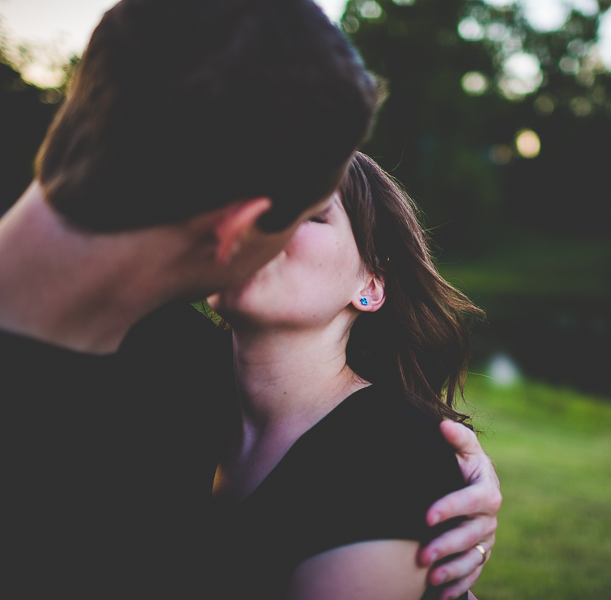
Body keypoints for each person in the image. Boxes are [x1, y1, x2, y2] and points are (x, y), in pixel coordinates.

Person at [0, 1, 499, 597]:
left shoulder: (166, 361)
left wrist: (430, 489)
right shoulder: (160, 370)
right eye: (301, 212)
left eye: (317, 217)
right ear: (238, 230)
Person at [208, 152, 489, 600]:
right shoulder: (157, 384)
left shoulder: (399, 454)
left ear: (370, 286)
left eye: (312, 214)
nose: (261, 223)